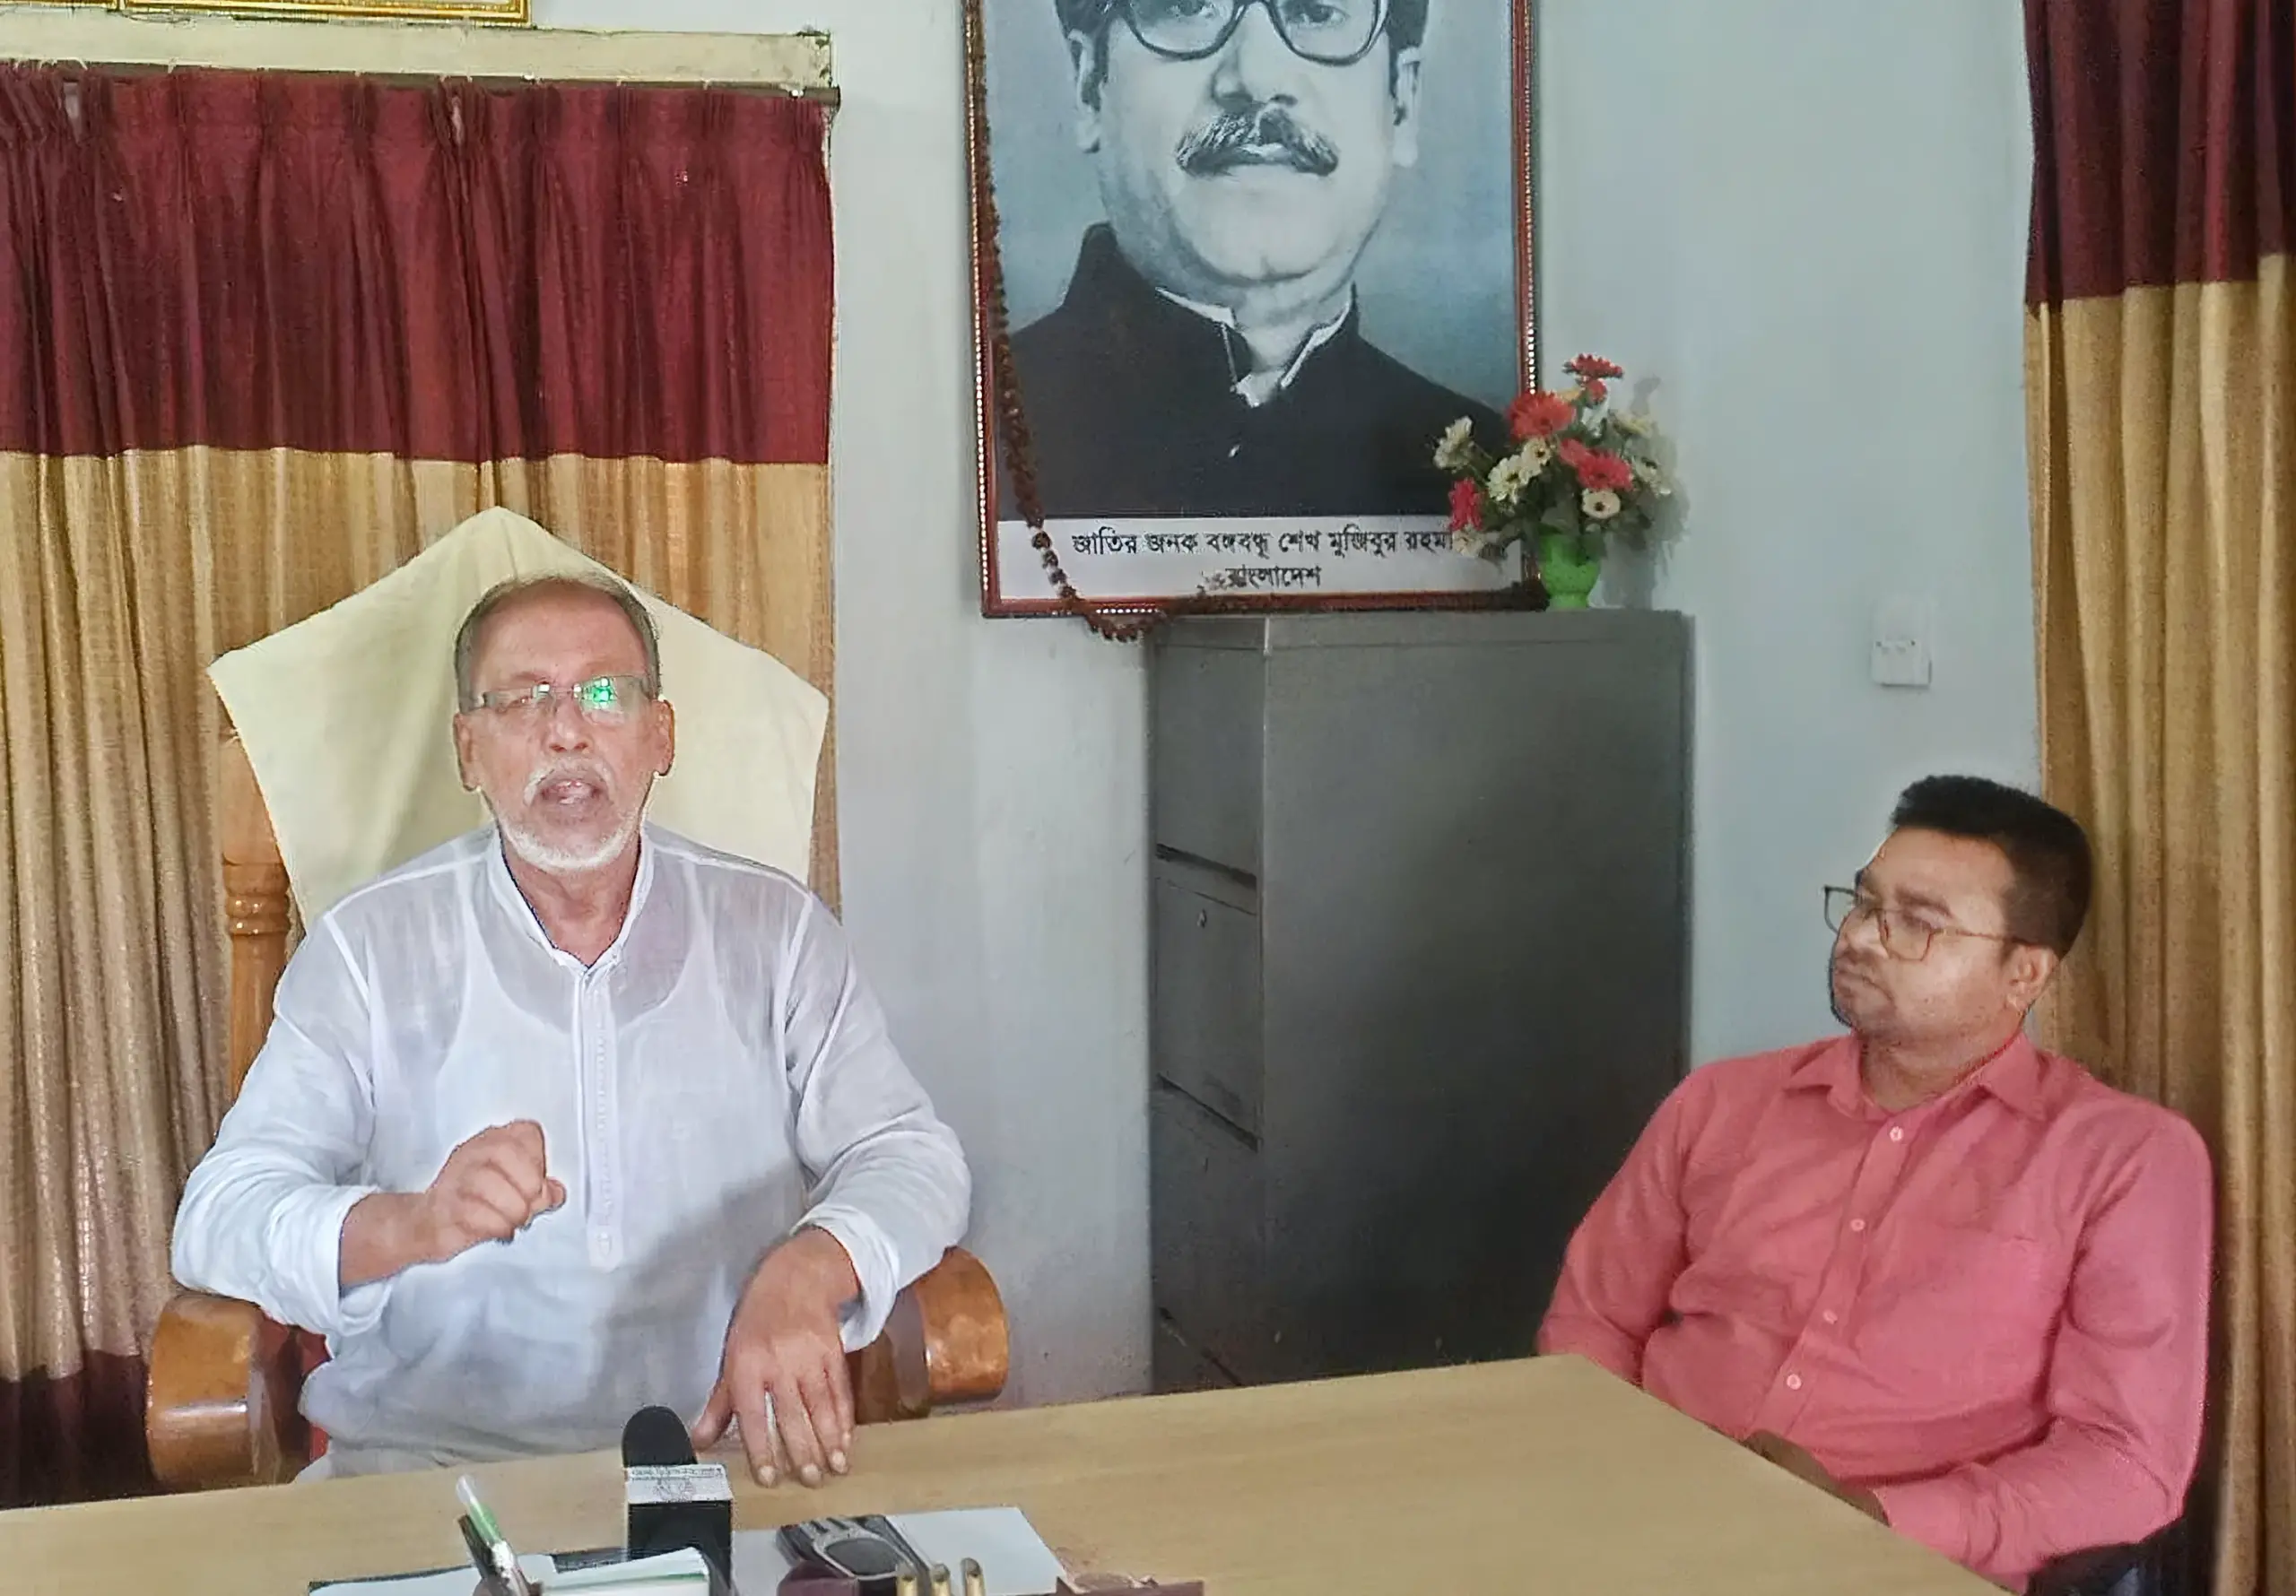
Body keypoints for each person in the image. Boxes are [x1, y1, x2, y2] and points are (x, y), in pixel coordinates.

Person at [172, 573, 970, 1488]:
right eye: (520, 701)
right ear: (468, 750)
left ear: (660, 735)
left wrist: (810, 1269)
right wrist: (410, 1223)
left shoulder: (776, 933)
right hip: (427, 1472)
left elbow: (911, 1156)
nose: (566, 731)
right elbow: (219, 1217)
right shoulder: (368, 949)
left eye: (604, 693)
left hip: (722, 1458)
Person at [1539, 776, 2211, 1590]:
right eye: (1863, 904)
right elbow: (1594, 1319)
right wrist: (1621, 1473)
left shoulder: (2123, 1158)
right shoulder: (1719, 1103)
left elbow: (2127, 1464)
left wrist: (1877, 1520)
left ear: (2024, 974)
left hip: (1895, 1567)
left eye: (1917, 924)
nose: (1861, 938)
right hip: (1639, 1523)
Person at [1004, 0, 1505, 520]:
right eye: (1188, 7)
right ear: (1089, 87)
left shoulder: (1492, 478)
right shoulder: (976, 435)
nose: (1258, 77)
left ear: (1402, 102)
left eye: (1316, 12)